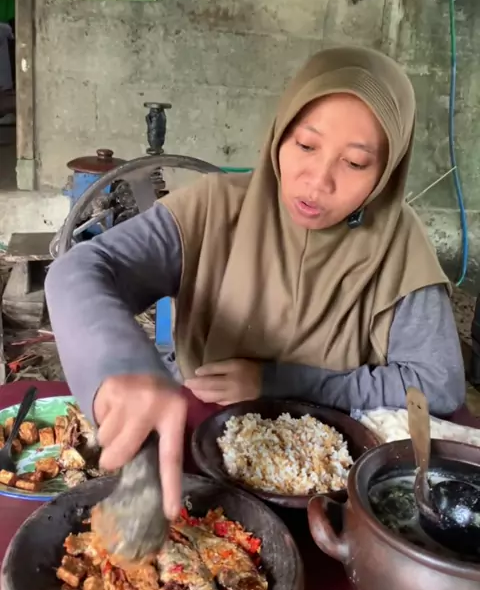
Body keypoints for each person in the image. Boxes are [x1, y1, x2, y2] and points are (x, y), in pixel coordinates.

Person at [45, 46, 465, 520]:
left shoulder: (397, 241)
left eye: (354, 163)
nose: (318, 181)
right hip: (205, 456)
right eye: (305, 146)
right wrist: (121, 363)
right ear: (280, 133)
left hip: (336, 487)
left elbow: (437, 384)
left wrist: (277, 380)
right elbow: (80, 270)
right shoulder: (214, 208)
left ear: (387, 172)